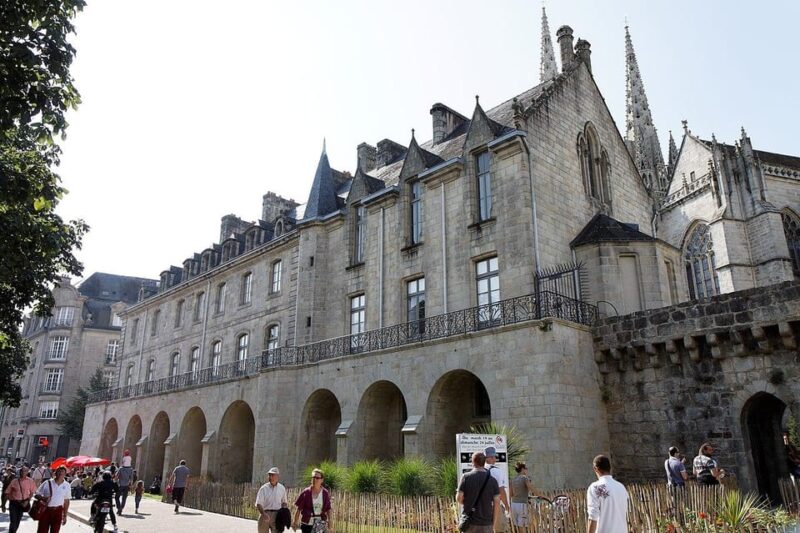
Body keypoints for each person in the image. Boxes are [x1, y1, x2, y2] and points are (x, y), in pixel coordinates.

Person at [456, 451, 500, 533]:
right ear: (484, 462)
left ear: (473, 462)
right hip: (486, 523)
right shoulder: (493, 481)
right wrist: (493, 524)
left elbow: (459, 498)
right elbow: (497, 503)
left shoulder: (466, 477)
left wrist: (469, 504)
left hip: (469, 522)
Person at [586, 455, 628, 533]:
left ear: (595, 469)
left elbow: (593, 517)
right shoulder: (621, 487)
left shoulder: (594, 488)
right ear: (610, 468)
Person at [292, 468, 332, 533]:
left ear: (322, 480)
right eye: (313, 477)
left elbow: (328, 508)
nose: (314, 479)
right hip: (306, 524)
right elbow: (298, 509)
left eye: (317, 478)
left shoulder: (325, 493)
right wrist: (295, 522)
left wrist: (330, 522)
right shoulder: (306, 492)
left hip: (320, 524)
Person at [35, 465, 71, 533]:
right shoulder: (47, 482)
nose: (60, 473)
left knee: (55, 531)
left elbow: (66, 501)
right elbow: (36, 494)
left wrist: (65, 515)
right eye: (59, 472)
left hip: (58, 511)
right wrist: (43, 498)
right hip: (46, 510)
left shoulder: (67, 485)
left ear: (65, 474)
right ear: (55, 473)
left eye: (62, 472)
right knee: (42, 530)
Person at [255, 467, 288, 533]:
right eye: (269, 475)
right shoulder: (264, 488)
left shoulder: (282, 488)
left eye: (272, 475)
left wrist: (283, 512)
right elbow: (258, 503)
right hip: (265, 513)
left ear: (277, 476)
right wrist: (263, 514)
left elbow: (284, 502)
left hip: (277, 515)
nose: (270, 477)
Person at [484, 446, 509, 533]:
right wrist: (506, 505)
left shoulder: (478, 470)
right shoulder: (497, 471)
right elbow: (501, 490)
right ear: (490, 458)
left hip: (481, 507)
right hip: (495, 505)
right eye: (494, 457)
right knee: (499, 530)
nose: (495, 459)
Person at [5, 465, 36, 533]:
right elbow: (7, 492)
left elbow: (32, 492)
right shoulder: (14, 481)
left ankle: (13, 531)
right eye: (21, 471)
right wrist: (10, 498)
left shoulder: (30, 481)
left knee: (17, 521)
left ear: (27, 472)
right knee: (13, 521)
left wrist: (27, 501)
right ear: (20, 472)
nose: (23, 472)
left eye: (25, 471)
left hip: (23, 504)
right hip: (14, 503)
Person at [509, 461, 536, 530]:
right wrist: (541, 495)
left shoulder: (513, 479)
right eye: (526, 468)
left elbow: (511, 494)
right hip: (522, 505)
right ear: (522, 469)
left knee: (517, 527)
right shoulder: (524, 478)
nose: (527, 470)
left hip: (514, 504)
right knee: (523, 526)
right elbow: (532, 489)